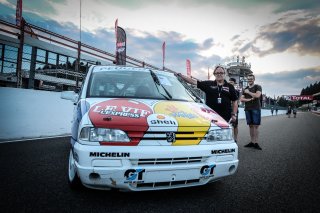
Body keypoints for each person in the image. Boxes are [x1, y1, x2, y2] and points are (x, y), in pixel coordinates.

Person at [240, 74, 262, 150]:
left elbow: (257, 95)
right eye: (248, 79)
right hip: (248, 108)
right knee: (250, 126)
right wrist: (250, 99)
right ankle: (252, 142)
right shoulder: (245, 89)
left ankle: (256, 142)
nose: (250, 80)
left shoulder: (257, 87)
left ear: (254, 79)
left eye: (251, 79)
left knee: (256, 126)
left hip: (256, 108)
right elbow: (241, 99)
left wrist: (248, 92)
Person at [228, 78, 240, 143]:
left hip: (234, 110)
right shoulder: (224, 90)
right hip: (226, 110)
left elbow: (236, 102)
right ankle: (228, 139)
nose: (230, 83)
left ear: (234, 83)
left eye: (231, 82)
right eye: (229, 82)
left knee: (235, 125)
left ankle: (235, 139)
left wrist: (234, 111)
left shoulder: (237, 92)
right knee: (227, 125)